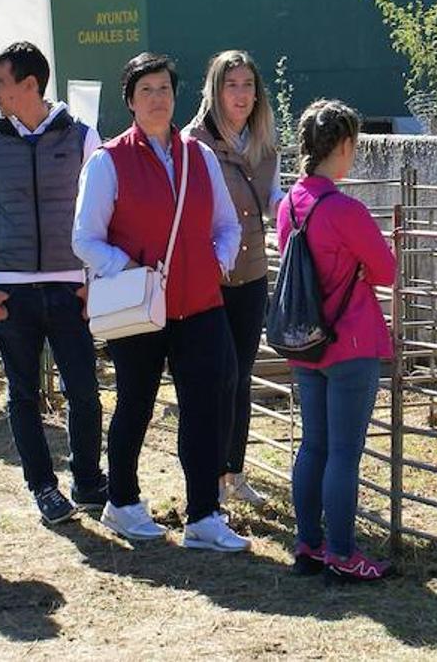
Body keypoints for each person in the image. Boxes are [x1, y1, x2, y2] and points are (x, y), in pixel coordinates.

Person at [73, 52, 248, 552]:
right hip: (140, 305)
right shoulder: (108, 160)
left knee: (205, 406)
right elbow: (85, 239)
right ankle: (122, 502)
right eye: (146, 90)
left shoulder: (200, 155)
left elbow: (227, 224)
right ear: (129, 100)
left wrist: (218, 261)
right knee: (136, 401)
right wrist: (130, 270)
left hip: (200, 302)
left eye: (165, 89)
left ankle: (204, 516)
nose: (157, 99)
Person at [0, 41, 107, 525]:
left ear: (30, 84)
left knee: (84, 389)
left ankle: (88, 480)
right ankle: (43, 487)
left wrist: (93, 280)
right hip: (11, 289)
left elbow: (103, 215)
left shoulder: (85, 138)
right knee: (22, 394)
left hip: (71, 287)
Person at [281, 99, 396, 582]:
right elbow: (386, 272)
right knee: (345, 452)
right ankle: (344, 553)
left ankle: (308, 543)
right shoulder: (346, 209)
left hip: (306, 342)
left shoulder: (288, 204)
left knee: (314, 446)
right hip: (351, 343)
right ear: (345, 145)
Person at [185, 50, 282, 508]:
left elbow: (274, 201)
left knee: (241, 376)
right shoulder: (193, 142)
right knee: (212, 376)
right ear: (215, 89)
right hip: (207, 277)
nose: (241, 95)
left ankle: (233, 472)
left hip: (251, 273)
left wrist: (306, 213)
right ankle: (206, 477)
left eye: (248, 85)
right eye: (232, 85)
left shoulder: (264, 141)